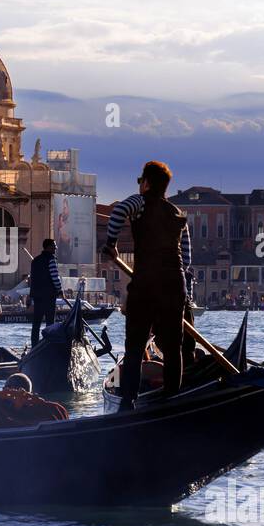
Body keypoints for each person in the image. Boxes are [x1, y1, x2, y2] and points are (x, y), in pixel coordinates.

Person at [102, 160, 192, 410]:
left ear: (147, 183)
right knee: (174, 348)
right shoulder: (177, 213)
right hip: (175, 284)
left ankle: (128, 401)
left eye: (141, 180)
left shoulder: (139, 203)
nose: (140, 184)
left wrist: (111, 243)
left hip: (146, 284)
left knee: (135, 345)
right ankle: (173, 398)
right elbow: (187, 257)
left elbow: (119, 211)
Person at [29, 238, 63, 347]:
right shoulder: (51, 260)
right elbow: (55, 277)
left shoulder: (35, 261)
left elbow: (33, 280)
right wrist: (60, 289)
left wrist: (31, 295)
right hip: (49, 296)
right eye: (54, 246)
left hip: (37, 296)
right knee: (50, 323)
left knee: (36, 323)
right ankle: (48, 345)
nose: (56, 248)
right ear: (48, 247)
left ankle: (34, 346)